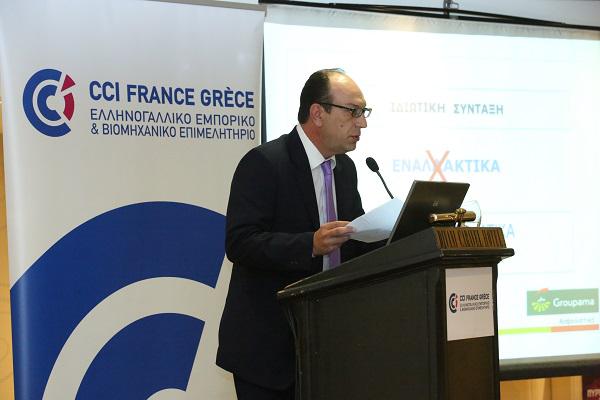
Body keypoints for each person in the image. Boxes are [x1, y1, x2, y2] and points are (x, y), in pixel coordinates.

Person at [216, 68, 374, 400]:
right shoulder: (264, 163)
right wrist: (309, 244)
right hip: (269, 349)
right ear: (318, 113)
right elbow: (240, 242)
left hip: (327, 343)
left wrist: (399, 233)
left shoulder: (345, 169)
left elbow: (354, 241)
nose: (362, 123)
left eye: (364, 112)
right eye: (353, 111)